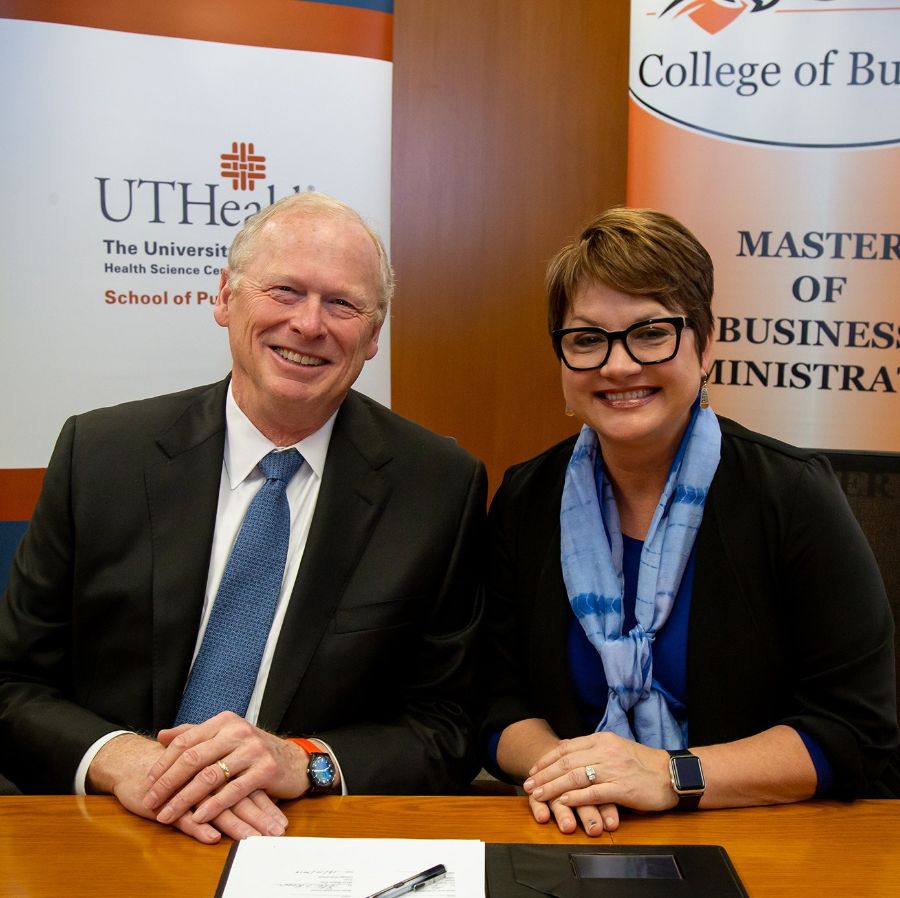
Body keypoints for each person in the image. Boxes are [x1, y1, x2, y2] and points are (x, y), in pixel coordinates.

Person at [0, 192, 486, 843]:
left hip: (302, 838)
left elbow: (449, 725)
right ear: (226, 296)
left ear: (372, 336)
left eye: (342, 304)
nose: (309, 324)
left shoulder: (439, 487)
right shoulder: (102, 456)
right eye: (284, 290)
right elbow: (12, 683)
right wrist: (123, 760)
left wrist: (305, 761)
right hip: (109, 829)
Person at [482, 207, 898, 836]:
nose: (617, 365)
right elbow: (490, 697)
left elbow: (856, 731)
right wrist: (570, 771)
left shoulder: (791, 494)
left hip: (766, 842)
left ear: (706, 343)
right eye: (587, 339)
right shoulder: (526, 497)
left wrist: (670, 774)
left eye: (651, 333)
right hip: (574, 830)